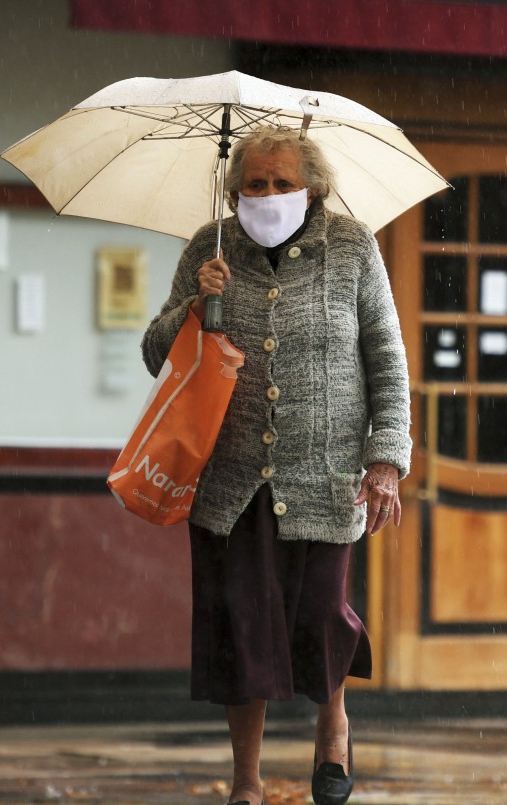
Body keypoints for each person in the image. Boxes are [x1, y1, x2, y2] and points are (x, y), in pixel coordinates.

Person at [141, 125, 412, 805]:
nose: (267, 194)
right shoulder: (210, 247)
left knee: (319, 615)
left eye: (282, 183)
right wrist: (194, 303)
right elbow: (155, 353)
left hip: (325, 476)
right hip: (229, 480)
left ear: (312, 189)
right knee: (242, 630)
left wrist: (386, 458)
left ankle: (333, 723)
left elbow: (386, 355)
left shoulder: (351, 246)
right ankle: (246, 781)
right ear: (235, 191)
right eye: (254, 184)